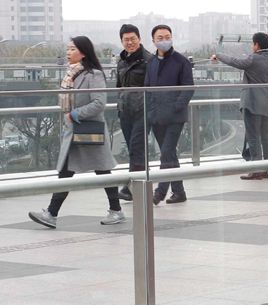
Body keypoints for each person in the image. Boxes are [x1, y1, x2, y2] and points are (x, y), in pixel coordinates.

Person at [28, 36, 122, 228]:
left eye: (72, 49)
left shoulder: (94, 74)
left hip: (90, 129)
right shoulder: (72, 74)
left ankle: (115, 210)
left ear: (83, 52)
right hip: (74, 130)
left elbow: (99, 103)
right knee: (69, 170)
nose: (68, 53)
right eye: (68, 49)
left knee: (102, 170)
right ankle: (52, 213)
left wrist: (75, 114)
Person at [212, 32, 268, 180]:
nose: (251, 46)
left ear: (256, 45)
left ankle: (256, 170)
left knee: (253, 137)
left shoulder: (253, 59)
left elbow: (235, 62)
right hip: (267, 104)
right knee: (266, 137)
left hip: (252, 103)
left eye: (252, 44)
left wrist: (219, 55)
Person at [145, 24, 194, 205]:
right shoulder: (151, 62)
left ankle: (160, 192)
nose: (164, 40)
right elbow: (147, 88)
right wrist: (150, 110)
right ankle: (179, 192)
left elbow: (188, 87)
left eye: (167, 37)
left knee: (166, 153)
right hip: (156, 116)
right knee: (170, 154)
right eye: (160, 38)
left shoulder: (181, 61)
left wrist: (176, 106)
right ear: (153, 41)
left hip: (174, 117)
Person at [115, 24, 152, 201]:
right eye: (126, 40)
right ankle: (141, 184)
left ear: (139, 39)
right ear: (122, 41)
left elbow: (154, 87)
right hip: (125, 111)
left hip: (143, 111)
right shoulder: (121, 61)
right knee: (133, 149)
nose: (129, 43)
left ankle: (132, 188)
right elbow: (119, 87)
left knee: (137, 148)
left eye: (133, 39)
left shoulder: (149, 60)